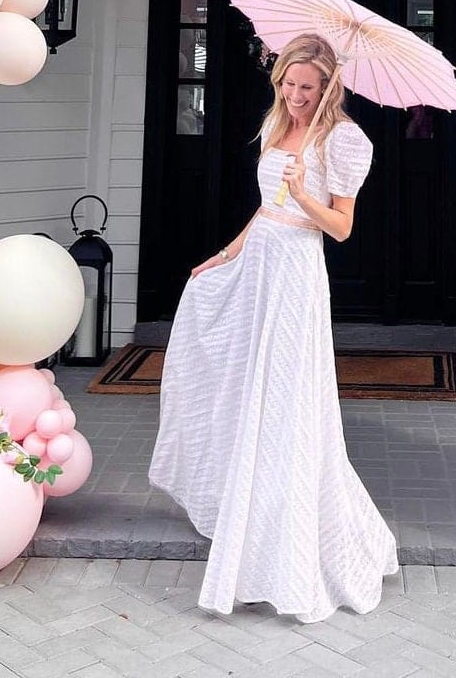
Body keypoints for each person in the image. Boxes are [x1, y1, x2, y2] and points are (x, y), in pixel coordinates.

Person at [149, 32, 398, 621]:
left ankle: (292, 541)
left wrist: (301, 196)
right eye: (288, 83)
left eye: (307, 87)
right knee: (237, 374)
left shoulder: (344, 140)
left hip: (295, 270)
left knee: (285, 394)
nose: (295, 95)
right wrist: (227, 253)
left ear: (328, 86)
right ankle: (246, 510)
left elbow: (339, 227)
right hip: (259, 259)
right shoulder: (275, 124)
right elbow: (263, 209)